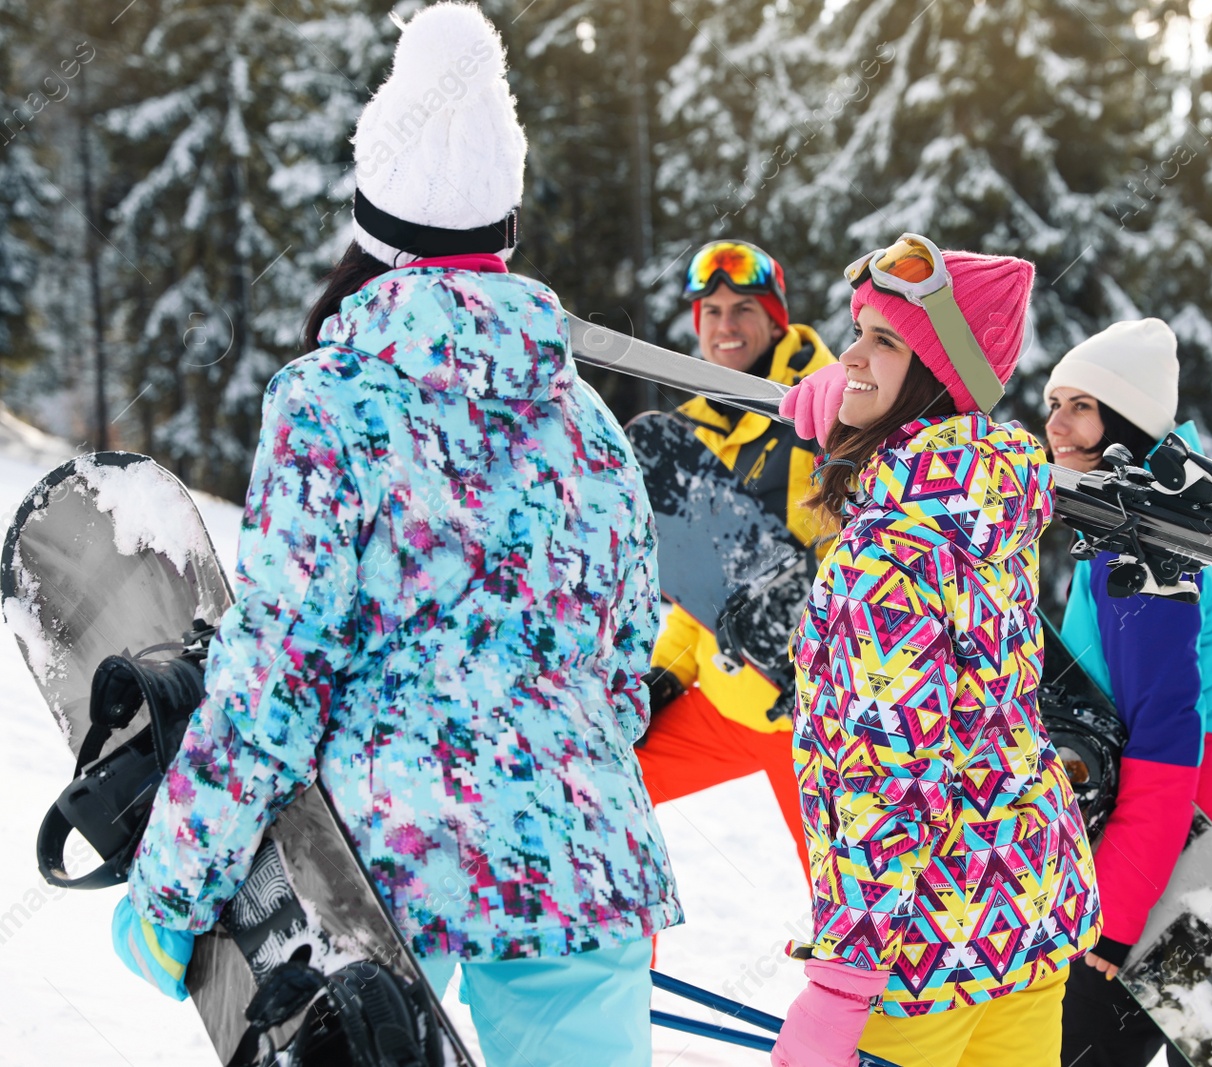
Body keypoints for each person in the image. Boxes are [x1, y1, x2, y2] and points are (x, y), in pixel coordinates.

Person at [111, 6, 681, 1065]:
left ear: (371, 224)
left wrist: (176, 877)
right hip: (584, 864)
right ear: (503, 233)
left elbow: (281, 669)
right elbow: (619, 667)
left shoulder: (331, 400)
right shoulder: (590, 424)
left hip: (388, 863)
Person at [769, 235, 1102, 1067]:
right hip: (1022, 914)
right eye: (857, 332)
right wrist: (854, 410)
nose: (850, 352)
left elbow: (890, 770)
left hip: (924, 949)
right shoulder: (987, 494)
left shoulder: (888, 551)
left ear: (932, 377)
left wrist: (842, 983)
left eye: (884, 340)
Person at [1041, 318, 1212, 1067]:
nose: (1055, 423)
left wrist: (1115, 920)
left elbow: (1164, 748)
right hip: (1174, 860)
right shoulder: (1123, 538)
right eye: (1054, 401)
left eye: (1081, 405)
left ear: (1125, 424)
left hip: (1208, 873)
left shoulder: (1147, 559)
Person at [633, 238, 835, 877]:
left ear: (777, 318)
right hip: (724, 703)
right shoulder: (689, 431)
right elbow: (705, 592)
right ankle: (614, 966)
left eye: (743, 308)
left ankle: (875, 975)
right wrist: (668, 672)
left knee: (853, 897)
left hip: (817, 725)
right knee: (603, 799)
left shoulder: (832, 410)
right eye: (711, 311)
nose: (725, 325)